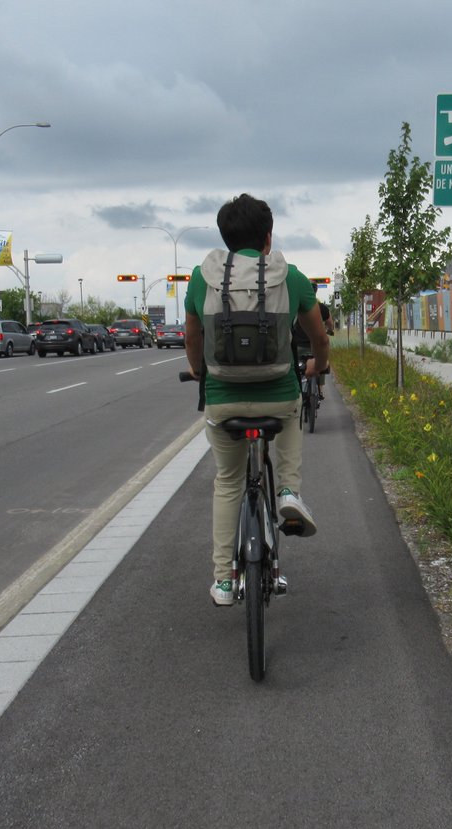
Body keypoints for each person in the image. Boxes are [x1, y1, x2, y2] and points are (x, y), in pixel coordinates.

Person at [184, 194, 330, 606]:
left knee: (229, 482)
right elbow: (319, 337)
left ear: (226, 238)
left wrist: (197, 370)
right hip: (278, 398)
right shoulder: (291, 276)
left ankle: (224, 582)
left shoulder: (201, 278)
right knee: (291, 414)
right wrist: (318, 365)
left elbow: (192, 337)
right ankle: (288, 491)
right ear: (268, 237)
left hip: (223, 401)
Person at [292, 298, 334, 400]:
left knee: (296, 367)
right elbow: (330, 324)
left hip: (298, 346)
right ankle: (320, 389)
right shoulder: (322, 308)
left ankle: (296, 389)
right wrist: (329, 330)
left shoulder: (295, 306)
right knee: (321, 363)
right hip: (315, 346)